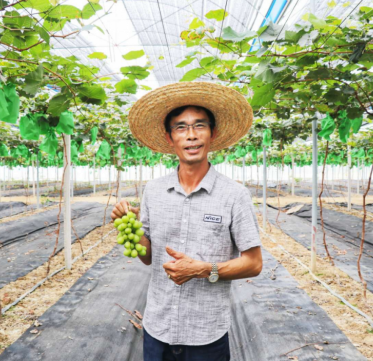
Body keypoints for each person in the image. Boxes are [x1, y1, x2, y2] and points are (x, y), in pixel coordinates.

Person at [111, 82, 263, 361]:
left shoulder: (234, 195)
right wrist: (130, 224)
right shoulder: (153, 191)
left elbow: (254, 263)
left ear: (212, 134)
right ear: (170, 139)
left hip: (206, 334)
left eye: (199, 126)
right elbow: (149, 258)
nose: (191, 136)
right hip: (157, 329)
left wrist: (204, 269)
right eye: (181, 127)